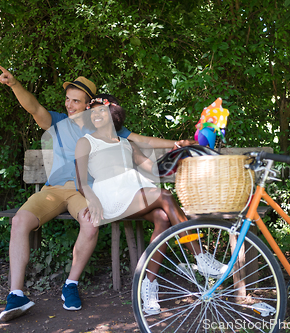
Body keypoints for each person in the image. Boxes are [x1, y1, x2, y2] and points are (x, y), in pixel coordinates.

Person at [0, 64, 195, 322]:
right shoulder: (58, 122)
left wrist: (176, 144)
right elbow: (33, 107)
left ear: (90, 105)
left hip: (83, 191)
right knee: (19, 221)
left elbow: (141, 141)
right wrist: (14, 84)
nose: (69, 105)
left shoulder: (103, 127)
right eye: (67, 100)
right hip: (53, 190)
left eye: (76, 101)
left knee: (91, 224)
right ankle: (16, 294)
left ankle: (70, 285)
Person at [75, 95, 228, 315]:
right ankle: (200, 257)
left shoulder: (127, 143)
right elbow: (81, 182)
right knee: (165, 196)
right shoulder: (86, 142)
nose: (96, 115)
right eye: (93, 112)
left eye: (102, 111)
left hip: (131, 192)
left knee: (163, 218)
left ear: (113, 114)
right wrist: (93, 199)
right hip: (108, 195)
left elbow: (154, 170)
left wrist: (180, 151)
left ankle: (148, 286)